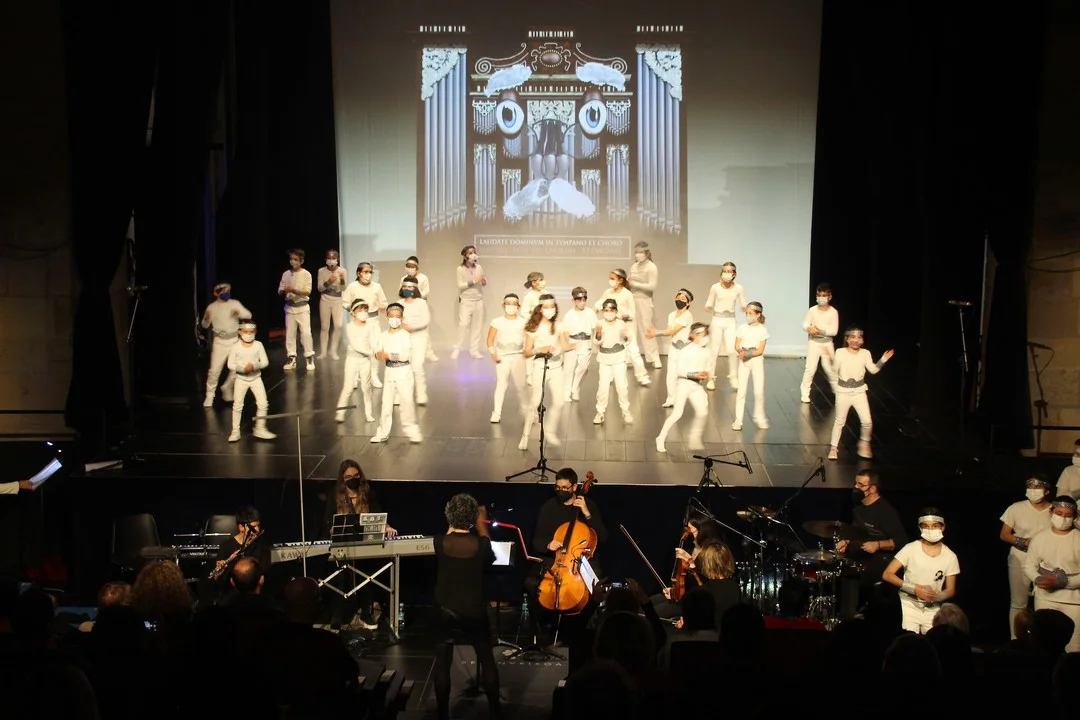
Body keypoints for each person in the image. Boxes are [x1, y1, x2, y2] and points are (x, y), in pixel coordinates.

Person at [431, 494, 503, 720]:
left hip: (444, 609)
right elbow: (490, 553)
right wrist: (480, 522)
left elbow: (449, 534)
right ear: (472, 518)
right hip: (474, 611)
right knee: (487, 660)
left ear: (449, 516)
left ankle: (442, 714)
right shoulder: (481, 546)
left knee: (442, 663)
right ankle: (495, 711)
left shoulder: (439, 542)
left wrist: (452, 524)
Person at [528, 469, 608, 645]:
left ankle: (580, 633)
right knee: (532, 583)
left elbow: (602, 537)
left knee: (591, 586)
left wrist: (587, 513)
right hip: (555, 559)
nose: (560, 491)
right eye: (557, 488)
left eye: (565, 488)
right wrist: (548, 544)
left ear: (574, 487)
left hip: (580, 561)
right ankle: (544, 632)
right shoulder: (548, 507)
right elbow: (537, 540)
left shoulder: (588, 505)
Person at [836, 469, 909, 616]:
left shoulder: (886, 511)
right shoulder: (858, 507)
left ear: (873, 489)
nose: (855, 488)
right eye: (855, 483)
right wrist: (847, 541)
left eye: (860, 485)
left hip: (880, 561)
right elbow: (860, 533)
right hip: (859, 557)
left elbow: (902, 541)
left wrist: (878, 544)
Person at [882, 508, 960, 634]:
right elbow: (887, 574)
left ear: (943, 527)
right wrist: (914, 588)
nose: (930, 530)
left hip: (932, 609)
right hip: (908, 605)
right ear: (920, 528)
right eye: (926, 526)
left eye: (935, 526)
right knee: (908, 640)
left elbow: (950, 590)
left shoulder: (950, 556)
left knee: (932, 640)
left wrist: (934, 596)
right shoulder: (910, 549)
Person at [825, 325, 894, 460]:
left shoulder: (865, 353)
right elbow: (834, 370)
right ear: (847, 339)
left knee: (867, 421)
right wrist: (829, 359)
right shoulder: (840, 352)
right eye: (853, 337)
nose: (856, 340)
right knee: (839, 421)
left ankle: (864, 443)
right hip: (843, 392)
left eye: (859, 337)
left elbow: (873, 370)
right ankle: (833, 448)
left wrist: (883, 360)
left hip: (859, 392)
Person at [1024, 495, 1080, 652]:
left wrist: (1063, 582)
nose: (1063, 518)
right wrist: (1038, 579)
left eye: (1068, 515)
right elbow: (1029, 566)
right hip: (1045, 598)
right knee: (1042, 645)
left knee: (1074, 647)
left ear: (1074, 517)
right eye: (1059, 513)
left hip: (1074, 602)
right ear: (1051, 512)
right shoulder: (1040, 537)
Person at [1000, 475, 1053, 637]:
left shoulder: (1054, 510)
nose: (1033, 491)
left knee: (1044, 601)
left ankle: (1042, 640)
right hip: (1020, 556)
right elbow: (1004, 534)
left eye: (1037, 487)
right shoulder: (1016, 508)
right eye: (1030, 487)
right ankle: (1015, 639)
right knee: (1018, 602)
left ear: (1047, 491)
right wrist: (1023, 542)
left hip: (1045, 560)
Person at [520, 294, 571, 451]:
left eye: (552, 307)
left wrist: (562, 348)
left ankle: (549, 430)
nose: (550, 310)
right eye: (547, 307)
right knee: (535, 402)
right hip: (540, 367)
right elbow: (527, 352)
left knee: (560, 402)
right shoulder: (533, 327)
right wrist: (540, 349)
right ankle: (525, 436)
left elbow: (565, 346)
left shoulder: (558, 326)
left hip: (556, 368)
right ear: (540, 308)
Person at [655, 322, 710, 453]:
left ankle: (694, 437)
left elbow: (708, 367)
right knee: (677, 414)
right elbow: (679, 371)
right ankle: (660, 438)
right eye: (703, 335)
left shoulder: (707, 351)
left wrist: (706, 374)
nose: (706, 337)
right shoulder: (686, 350)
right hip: (684, 384)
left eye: (706, 335)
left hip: (697, 386)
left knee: (703, 412)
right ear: (695, 335)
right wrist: (695, 374)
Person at [372, 303, 421, 443]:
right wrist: (378, 355)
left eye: (398, 317)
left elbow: (405, 355)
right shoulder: (383, 335)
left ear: (402, 318)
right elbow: (377, 351)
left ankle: (412, 431)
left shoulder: (405, 335)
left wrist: (389, 355)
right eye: (392, 316)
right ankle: (382, 432)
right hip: (389, 371)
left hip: (403, 372)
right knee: (386, 404)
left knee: (406, 403)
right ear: (387, 317)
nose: (394, 319)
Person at [594, 269, 650, 386]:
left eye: (612, 279)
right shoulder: (608, 292)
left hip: (626, 326)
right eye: (610, 278)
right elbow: (600, 303)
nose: (610, 281)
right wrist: (596, 309)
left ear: (620, 280)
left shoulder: (627, 294)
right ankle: (609, 375)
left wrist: (621, 316)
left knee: (633, 351)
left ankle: (642, 376)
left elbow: (632, 313)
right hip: (612, 326)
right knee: (610, 348)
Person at [201, 281, 250, 407]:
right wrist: (206, 318)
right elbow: (204, 325)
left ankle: (227, 387)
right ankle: (209, 396)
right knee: (214, 371)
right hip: (220, 342)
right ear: (216, 293)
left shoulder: (234, 304)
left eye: (228, 291)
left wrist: (239, 313)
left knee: (238, 368)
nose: (226, 293)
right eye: (224, 291)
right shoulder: (212, 307)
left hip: (234, 341)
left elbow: (248, 314)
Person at [227, 320, 277, 442]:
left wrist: (254, 366)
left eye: (251, 332)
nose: (249, 334)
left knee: (263, 403)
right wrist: (242, 369)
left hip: (256, 379)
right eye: (246, 332)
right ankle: (235, 431)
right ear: (240, 332)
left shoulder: (258, 345)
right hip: (241, 379)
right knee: (237, 406)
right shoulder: (235, 347)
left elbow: (265, 362)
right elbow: (230, 364)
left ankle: (260, 428)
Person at [341, 262, 388, 389]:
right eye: (365, 272)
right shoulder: (352, 287)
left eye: (370, 272)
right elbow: (345, 302)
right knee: (357, 348)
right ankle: (355, 376)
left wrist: (383, 307)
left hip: (373, 320)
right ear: (359, 273)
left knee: (375, 347)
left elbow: (384, 302)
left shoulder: (377, 287)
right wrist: (355, 310)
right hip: (358, 322)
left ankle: (373, 376)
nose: (368, 275)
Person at [702, 261, 747, 391]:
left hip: (730, 321)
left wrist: (744, 307)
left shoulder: (738, 288)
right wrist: (708, 306)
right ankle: (711, 378)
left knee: (732, 350)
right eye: (724, 271)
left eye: (729, 271)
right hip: (717, 320)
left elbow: (743, 302)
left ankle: (733, 377)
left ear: (734, 274)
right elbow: (709, 301)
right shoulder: (715, 287)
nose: (726, 273)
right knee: (714, 350)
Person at [647, 288, 694, 408]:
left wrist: (656, 333)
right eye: (678, 298)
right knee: (671, 374)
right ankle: (671, 398)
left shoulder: (687, 316)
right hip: (674, 348)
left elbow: (672, 331)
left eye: (682, 299)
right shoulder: (671, 315)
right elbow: (669, 331)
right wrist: (658, 332)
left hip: (685, 350)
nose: (679, 300)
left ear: (688, 303)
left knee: (682, 375)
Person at [486, 293, 528, 424]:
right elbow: (490, 339)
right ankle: (496, 412)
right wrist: (493, 353)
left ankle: (527, 410)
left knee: (522, 385)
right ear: (503, 305)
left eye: (514, 304)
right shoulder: (497, 322)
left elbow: (528, 338)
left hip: (518, 357)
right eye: (508, 304)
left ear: (518, 306)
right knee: (501, 384)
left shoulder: (523, 322)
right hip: (502, 357)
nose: (511, 307)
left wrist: (526, 353)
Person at [593, 299, 633, 426]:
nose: (608, 313)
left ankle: (625, 410)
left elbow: (627, 340)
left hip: (619, 358)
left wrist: (625, 335)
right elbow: (596, 341)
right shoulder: (599, 323)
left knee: (622, 386)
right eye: (605, 310)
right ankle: (600, 412)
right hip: (605, 359)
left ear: (616, 311)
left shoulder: (621, 323)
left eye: (611, 310)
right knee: (603, 387)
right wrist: (598, 333)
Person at [335, 300, 376, 424]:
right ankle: (340, 412)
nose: (363, 312)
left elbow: (373, 341)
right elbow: (355, 345)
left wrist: (375, 350)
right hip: (352, 360)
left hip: (365, 361)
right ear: (353, 313)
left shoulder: (370, 326)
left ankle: (368, 413)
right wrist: (371, 352)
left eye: (365, 310)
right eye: (360, 310)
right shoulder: (350, 327)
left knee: (366, 388)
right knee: (348, 387)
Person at [731, 301, 769, 430]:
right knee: (741, 391)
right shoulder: (742, 327)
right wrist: (741, 352)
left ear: (758, 315)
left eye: (751, 313)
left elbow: (760, 350)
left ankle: (760, 417)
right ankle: (738, 420)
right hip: (744, 361)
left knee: (759, 392)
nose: (748, 316)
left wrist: (747, 354)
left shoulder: (762, 329)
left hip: (756, 361)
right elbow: (737, 344)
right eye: (747, 313)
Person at [213, 506, 272, 588]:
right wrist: (218, 575)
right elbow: (220, 584)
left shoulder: (262, 545)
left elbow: (265, 574)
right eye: (253, 527)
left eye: (258, 525)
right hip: (233, 592)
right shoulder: (226, 546)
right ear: (241, 527)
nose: (257, 530)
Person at [799, 282, 838, 403]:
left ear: (829, 297)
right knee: (810, 369)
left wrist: (820, 331)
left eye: (824, 295)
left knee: (830, 369)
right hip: (814, 343)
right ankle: (805, 393)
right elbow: (805, 323)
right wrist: (808, 328)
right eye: (819, 295)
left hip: (827, 344)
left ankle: (837, 391)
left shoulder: (833, 312)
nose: (821, 298)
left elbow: (834, 331)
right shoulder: (812, 310)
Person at [278, 248, 315, 372]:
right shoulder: (286, 274)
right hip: (290, 307)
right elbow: (280, 290)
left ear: (301, 260)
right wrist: (284, 291)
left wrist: (294, 290)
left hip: (302, 307)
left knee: (306, 333)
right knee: (290, 334)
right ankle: (291, 357)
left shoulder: (306, 274)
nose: (293, 261)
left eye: (295, 259)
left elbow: (307, 291)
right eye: (291, 259)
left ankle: (309, 357)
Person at [399, 276, 432, 405]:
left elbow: (426, 320)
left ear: (415, 288)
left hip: (419, 337)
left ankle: (421, 394)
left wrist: (411, 327)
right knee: (403, 367)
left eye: (410, 287)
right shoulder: (399, 303)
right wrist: (402, 327)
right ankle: (402, 395)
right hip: (404, 338)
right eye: (405, 287)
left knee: (417, 366)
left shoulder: (421, 303)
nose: (407, 289)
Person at [629, 241, 661, 369]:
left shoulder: (651, 267)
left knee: (646, 328)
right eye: (636, 252)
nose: (638, 254)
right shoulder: (634, 266)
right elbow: (630, 282)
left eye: (641, 252)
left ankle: (654, 358)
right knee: (631, 329)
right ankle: (630, 358)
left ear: (647, 253)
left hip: (645, 300)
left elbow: (652, 286)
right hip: (632, 299)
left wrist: (635, 284)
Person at [562, 287, 597, 402]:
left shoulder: (590, 313)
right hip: (572, 341)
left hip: (585, 342)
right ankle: (566, 392)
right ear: (573, 300)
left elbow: (595, 328)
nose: (582, 302)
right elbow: (565, 331)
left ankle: (575, 387)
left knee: (583, 367)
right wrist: (567, 345)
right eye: (579, 299)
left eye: (584, 299)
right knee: (568, 369)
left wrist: (595, 341)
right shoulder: (569, 314)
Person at [401, 255, 438, 361]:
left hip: (420, 305)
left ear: (417, 267)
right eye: (408, 266)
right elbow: (401, 291)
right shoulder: (403, 279)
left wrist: (416, 296)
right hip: (408, 307)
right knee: (407, 329)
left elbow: (427, 291)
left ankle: (429, 353)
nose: (410, 268)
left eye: (412, 266)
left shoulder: (423, 278)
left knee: (424, 330)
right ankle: (409, 352)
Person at [452, 245, 486, 359]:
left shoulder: (479, 267)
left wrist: (483, 281)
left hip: (478, 299)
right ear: (465, 256)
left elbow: (482, 282)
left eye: (474, 252)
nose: (473, 255)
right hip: (466, 300)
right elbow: (460, 285)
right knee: (463, 324)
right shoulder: (460, 269)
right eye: (470, 253)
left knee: (477, 326)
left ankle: (474, 350)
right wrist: (474, 281)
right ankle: (457, 348)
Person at [316, 249, 347, 360]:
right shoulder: (321, 271)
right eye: (329, 258)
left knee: (338, 326)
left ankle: (333, 350)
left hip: (337, 300)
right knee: (325, 327)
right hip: (325, 299)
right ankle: (323, 352)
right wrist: (328, 282)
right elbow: (320, 288)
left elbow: (343, 288)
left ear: (337, 259)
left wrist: (342, 279)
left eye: (333, 258)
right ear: (325, 259)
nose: (331, 260)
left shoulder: (342, 270)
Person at [522, 272, 546, 386]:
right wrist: (534, 320)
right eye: (540, 280)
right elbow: (524, 312)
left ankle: (540, 372)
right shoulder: (529, 296)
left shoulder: (546, 293)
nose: (542, 282)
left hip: (544, 326)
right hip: (533, 326)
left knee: (541, 349)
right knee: (530, 350)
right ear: (533, 282)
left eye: (542, 279)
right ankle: (529, 375)